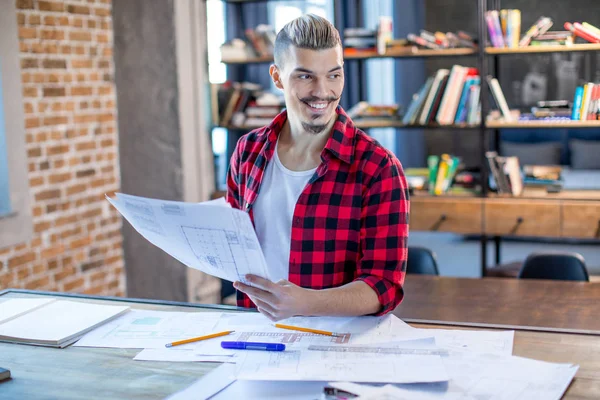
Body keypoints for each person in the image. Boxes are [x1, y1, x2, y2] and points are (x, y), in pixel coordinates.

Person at [227, 14, 409, 321]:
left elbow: (385, 285)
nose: (323, 92)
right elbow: (232, 245)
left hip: (336, 343)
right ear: (277, 77)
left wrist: (307, 303)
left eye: (333, 75)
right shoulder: (248, 152)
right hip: (254, 331)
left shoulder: (378, 168)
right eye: (305, 76)